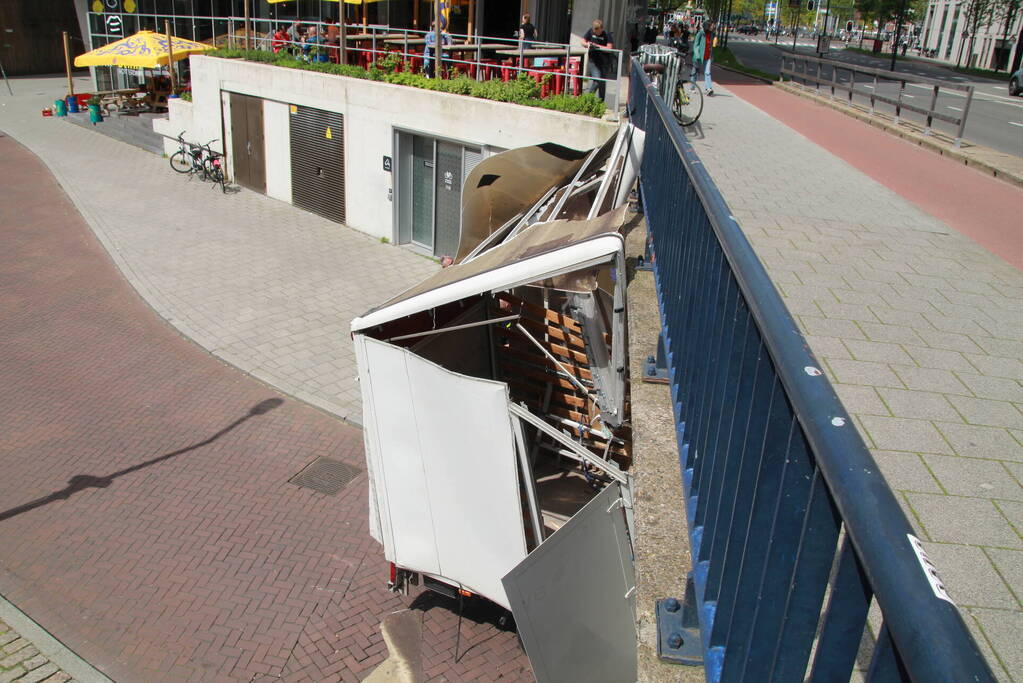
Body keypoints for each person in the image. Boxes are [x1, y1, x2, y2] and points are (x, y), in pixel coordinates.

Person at [582, 19, 614, 101]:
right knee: (597, 80)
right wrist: (588, 44)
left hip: (604, 61)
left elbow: (609, 48)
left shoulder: (607, 34)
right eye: (594, 32)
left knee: (602, 83)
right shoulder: (590, 31)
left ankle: (601, 102)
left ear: (601, 29)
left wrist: (598, 46)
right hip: (593, 61)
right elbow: (583, 41)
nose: (596, 33)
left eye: (598, 32)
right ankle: (587, 99)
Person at [692, 21, 714, 96]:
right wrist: (697, 54)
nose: (713, 27)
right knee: (695, 71)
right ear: (707, 26)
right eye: (711, 25)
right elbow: (696, 44)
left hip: (708, 57)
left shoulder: (711, 34)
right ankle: (692, 87)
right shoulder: (700, 33)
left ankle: (708, 88)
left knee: (707, 72)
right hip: (699, 56)